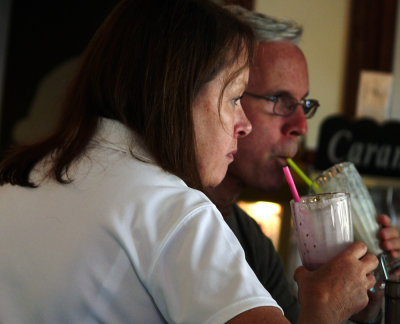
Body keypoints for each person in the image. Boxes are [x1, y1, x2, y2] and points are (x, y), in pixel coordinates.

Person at [0, 1, 379, 323]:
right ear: (179, 95)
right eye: (234, 98)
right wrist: (326, 307)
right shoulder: (173, 209)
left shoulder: (22, 177)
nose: (242, 124)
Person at [206, 5, 400, 324]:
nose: (301, 126)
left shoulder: (250, 237)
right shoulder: (187, 224)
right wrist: (326, 305)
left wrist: (357, 309)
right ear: (230, 95)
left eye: (303, 104)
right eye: (281, 101)